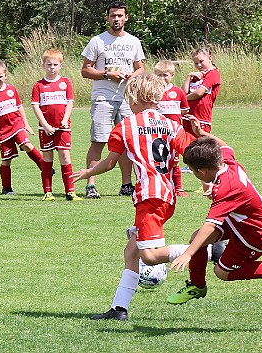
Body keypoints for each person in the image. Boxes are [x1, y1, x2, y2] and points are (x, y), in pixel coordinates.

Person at [72, 74, 196, 320]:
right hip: (167, 195)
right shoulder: (172, 126)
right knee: (131, 252)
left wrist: (88, 172)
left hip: (149, 197)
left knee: (149, 257)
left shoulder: (125, 127)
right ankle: (119, 309)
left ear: (137, 98)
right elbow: (194, 153)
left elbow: (109, 163)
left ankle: (210, 249)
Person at [167, 115, 262, 305]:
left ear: (202, 172)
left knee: (223, 272)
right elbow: (227, 147)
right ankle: (197, 286)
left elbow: (209, 224)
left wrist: (188, 253)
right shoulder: (226, 162)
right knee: (196, 238)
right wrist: (203, 134)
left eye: (192, 171)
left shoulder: (226, 188)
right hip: (239, 221)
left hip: (255, 233)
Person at [81, 1, 145, 199]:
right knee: (99, 140)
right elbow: (85, 70)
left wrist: (132, 76)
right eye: (112, 15)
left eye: (119, 15)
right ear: (107, 18)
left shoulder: (133, 41)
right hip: (103, 98)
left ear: (126, 18)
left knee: (126, 143)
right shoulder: (97, 41)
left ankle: (126, 185)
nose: (116, 19)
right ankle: (91, 185)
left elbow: (140, 67)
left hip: (127, 99)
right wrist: (108, 75)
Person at [0, 61, 43, 195]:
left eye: (0, 76)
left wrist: (26, 124)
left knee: (26, 144)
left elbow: (19, 107)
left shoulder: (11, 89)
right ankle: (6, 188)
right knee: (6, 160)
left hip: (17, 124)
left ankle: (44, 166)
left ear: (5, 75)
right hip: (2, 132)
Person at [31, 49, 81, 201]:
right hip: (46, 129)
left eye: (55, 64)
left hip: (62, 128)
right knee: (47, 158)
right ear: (43, 66)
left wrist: (65, 119)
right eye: (48, 64)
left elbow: (70, 102)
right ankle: (48, 192)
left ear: (60, 65)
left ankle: (70, 191)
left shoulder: (65, 82)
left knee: (65, 156)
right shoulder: (39, 85)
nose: (52, 67)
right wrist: (45, 125)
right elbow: (35, 106)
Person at [181, 48, 221, 196]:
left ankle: (209, 184)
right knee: (189, 146)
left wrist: (183, 99)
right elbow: (184, 91)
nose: (199, 65)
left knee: (203, 151)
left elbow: (199, 93)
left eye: (201, 61)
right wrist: (189, 77)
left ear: (210, 58)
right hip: (188, 115)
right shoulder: (197, 75)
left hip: (201, 117)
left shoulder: (213, 74)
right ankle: (202, 181)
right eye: (196, 62)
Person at [154, 60, 190, 198]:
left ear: (172, 75)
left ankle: (178, 188)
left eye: (165, 75)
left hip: (174, 132)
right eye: (159, 75)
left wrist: (175, 118)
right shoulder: (154, 92)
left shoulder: (178, 92)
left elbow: (185, 110)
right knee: (159, 158)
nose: (162, 78)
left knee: (175, 160)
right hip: (157, 131)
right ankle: (162, 186)